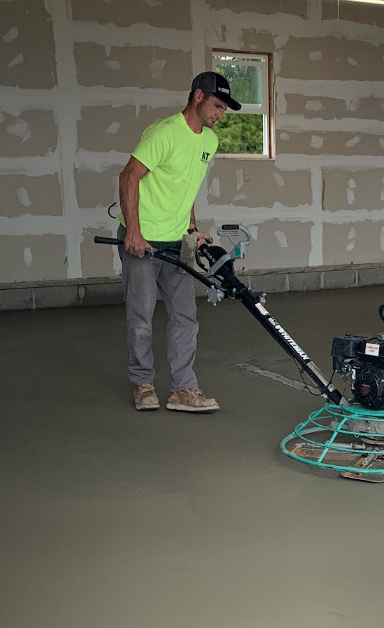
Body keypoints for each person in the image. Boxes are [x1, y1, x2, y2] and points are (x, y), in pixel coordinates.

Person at [115, 71, 241, 412]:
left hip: (177, 242)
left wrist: (193, 230)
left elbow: (187, 188)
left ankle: (183, 389)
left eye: (224, 109)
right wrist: (134, 232)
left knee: (185, 316)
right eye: (217, 105)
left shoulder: (208, 142)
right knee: (141, 314)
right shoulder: (165, 133)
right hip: (143, 239)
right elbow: (129, 177)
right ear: (198, 97)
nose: (220, 114)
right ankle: (143, 383)